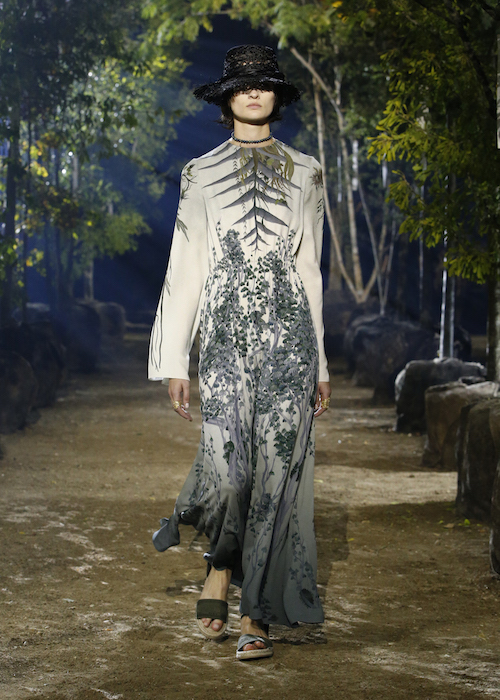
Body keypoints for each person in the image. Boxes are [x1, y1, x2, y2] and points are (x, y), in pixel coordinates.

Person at [148, 44, 331, 661]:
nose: (254, 91)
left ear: (277, 97)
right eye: (242, 84)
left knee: (276, 476)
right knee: (229, 474)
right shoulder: (199, 173)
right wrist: (175, 359)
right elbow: (186, 264)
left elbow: (310, 268)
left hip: (290, 343)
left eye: (264, 83)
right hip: (225, 342)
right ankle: (221, 565)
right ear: (226, 99)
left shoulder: (307, 171)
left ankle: (256, 614)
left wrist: (320, 362)